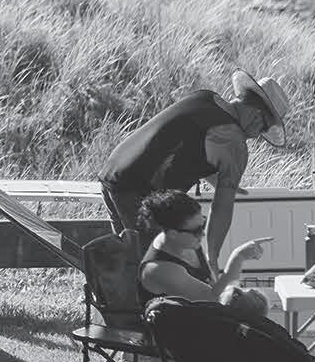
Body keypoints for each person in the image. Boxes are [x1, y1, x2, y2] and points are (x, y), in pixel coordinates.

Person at [98, 69, 293, 269]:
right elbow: (222, 208)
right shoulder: (234, 142)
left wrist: (222, 182)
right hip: (139, 191)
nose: (256, 135)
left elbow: (187, 145)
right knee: (161, 268)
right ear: (257, 116)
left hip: (113, 170)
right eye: (263, 129)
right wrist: (213, 257)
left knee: (128, 264)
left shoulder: (206, 98)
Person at [136, 189, 274, 362]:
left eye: (204, 224)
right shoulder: (160, 269)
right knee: (256, 350)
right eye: (196, 230)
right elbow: (211, 297)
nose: (202, 233)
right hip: (173, 337)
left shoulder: (187, 243)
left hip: (198, 322)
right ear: (172, 232)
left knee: (257, 329)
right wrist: (236, 262)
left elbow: (211, 287)